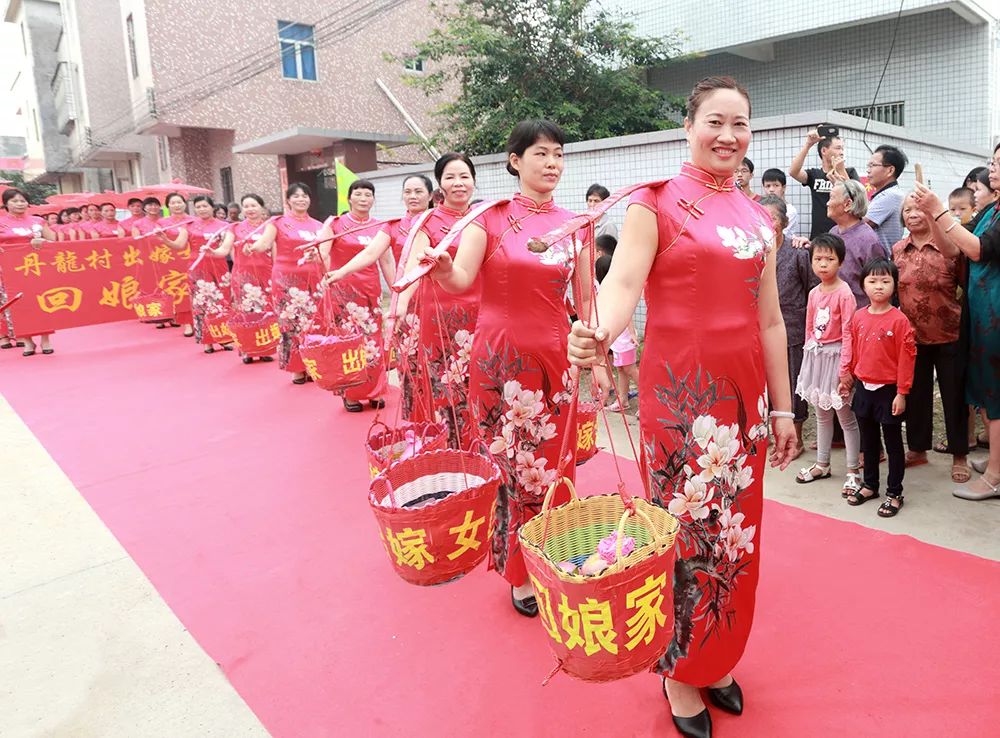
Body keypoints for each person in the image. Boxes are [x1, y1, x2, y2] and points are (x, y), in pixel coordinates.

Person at [567, 77, 797, 738]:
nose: (728, 136)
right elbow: (622, 286)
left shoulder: (759, 219)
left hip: (743, 401)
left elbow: (773, 324)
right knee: (681, 535)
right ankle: (677, 671)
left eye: (740, 124)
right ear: (688, 125)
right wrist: (600, 333)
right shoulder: (653, 205)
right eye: (715, 122)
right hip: (679, 400)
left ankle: (715, 658)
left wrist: (782, 410)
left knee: (735, 538)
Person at [425, 119, 599, 619]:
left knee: (556, 463)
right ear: (515, 161)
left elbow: (586, 299)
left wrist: (599, 359)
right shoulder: (491, 217)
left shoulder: (577, 224)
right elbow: (460, 279)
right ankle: (518, 572)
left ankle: (557, 557)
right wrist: (442, 268)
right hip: (499, 359)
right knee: (513, 465)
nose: (552, 164)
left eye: (559, 155)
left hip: (556, 358)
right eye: (541, 154)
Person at [911, 153, 1000, 500]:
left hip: (995, 314)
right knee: (986, 391)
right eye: (992, 162)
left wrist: (940, 210)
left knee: (996, 397)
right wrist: (935, 214)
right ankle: (996, 460)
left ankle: (994, 476)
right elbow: (954, 248)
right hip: (981, 311)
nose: (991, 168)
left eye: (997, 162)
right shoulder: (991, 211)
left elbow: (978, 250)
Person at [393, 152, 479, 446]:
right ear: (440, 185)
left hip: (482, 317)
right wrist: (400, 305)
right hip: (442, 318)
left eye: (464, 176)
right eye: (450, 177)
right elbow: (412, 269)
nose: (458, 183)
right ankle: (456, 455)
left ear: (474, 182)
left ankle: (484, 453)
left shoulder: (485, 218)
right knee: (448, 389)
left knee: (483, 386)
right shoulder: (428, 221)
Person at [891, 192, 968, 482]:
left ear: (932, 213)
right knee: (917, 394)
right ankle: (918, 449)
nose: (912, 214)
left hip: (950, 333)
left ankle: (959, 452)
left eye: (919, 209)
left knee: (954, 396)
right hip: (912, 336)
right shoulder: (898, 250)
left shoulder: (950, 248)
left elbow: (966, 286)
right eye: (908, 210)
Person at [838, 259, 916, 517]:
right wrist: (847, 377)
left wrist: (902, 393)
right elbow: (853, 351)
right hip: (863, 389)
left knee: (893, 444)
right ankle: (870, 484)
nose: (879, 287)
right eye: (872, 281)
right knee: (868, 442)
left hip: (890, 392)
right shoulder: (858, 317)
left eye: (885, 281)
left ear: (895, 285)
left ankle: (894, 493)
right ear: (863, 285)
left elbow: (907, 359)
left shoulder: (900, 321)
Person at [793, 233, 861, 493]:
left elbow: (848, 333)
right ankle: (822, 464)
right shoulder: (813, 293)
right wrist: (809, 360)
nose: (823, 264)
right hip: (817, 357)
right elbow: (810, 328)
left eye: (829, 259)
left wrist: (845, 370)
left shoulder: (845, 294)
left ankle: (853, 470)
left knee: (846, 417)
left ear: (840, 262)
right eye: (818, 259)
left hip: (837, 359)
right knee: (821, 415)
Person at [318, 180, 389, 412]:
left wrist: (396, 288)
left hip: (370, 291)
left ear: (373, 200)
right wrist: (318, 262)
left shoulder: (381, 226)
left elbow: (386, 261)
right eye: (358, 194)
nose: (363, 198)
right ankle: (351, 393)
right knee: (349, 342)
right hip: (344, 291)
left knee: (373, 340)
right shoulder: (335, 223)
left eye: (368, 194)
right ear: (349, 198)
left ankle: (375, 390)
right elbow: (323, 251)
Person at [253, 182, 326, 384]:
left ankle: (312, 365)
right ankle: (296, 368)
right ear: (288, 200)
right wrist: (254, 247)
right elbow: (265, 243)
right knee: (291, 323)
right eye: (296, 196)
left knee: (314, 322)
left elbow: (324, 252)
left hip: (313, 279)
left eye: (304, 196)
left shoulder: (319, 226)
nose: (301, 199)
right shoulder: (277, 223)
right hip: (287, 280)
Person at [761, 195, 816, 458]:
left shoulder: (798, 253)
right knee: (767, 385)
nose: (766, 223)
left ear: (783, 222)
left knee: (794, 385)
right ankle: (774, 436)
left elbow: (812, 289)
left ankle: (797, 439)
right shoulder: (754, 252)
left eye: (771, 217)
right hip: (761, 330)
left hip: (793, 328)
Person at [216, 193, 274, 364]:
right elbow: (225, 248)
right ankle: (247, 350)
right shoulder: (235, 228)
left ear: (261, 207)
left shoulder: (270, 228)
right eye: (246, 206)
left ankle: (265, 348)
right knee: (246, 313)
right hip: (243, 276)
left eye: (253, 205)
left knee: (265, 312)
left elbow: (275, 253)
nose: (250, 209)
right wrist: (213, 252)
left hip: (266, 274)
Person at [0, 188, 58, 355]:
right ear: (6, 204)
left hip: (37, 269)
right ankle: (27, 341)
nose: (20, 204)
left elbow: (53, 240)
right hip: (9, 271)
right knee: (19, 306)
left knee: (42, 302)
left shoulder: (37, 221)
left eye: (23, 200)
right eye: (15, 201)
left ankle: (46, 339)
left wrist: (42, 241)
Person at [789, 129, 860, 238]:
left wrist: (841, 170)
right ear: (824, 151)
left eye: (842, 148)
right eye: (838, 148)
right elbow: (793, 172)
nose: (841, 152)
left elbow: (857, 199)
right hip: (819, 237)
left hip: (845, 235)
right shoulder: (814, 174)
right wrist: (808, 144)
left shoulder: (850, 172)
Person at [187, 195, 233, 354]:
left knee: (222, 302)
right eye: (198, 207)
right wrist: (164, 238)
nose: (201, 209)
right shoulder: (190, 226)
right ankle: (207, 341)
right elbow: (179, 244)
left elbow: (227, 247)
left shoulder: (224, 226)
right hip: (198, 267)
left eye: (204, 206)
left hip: (218, 266)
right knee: (202, 304)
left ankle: (224, 337)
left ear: (212, 207)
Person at [827, 179, 884, 307]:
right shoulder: (833, 232)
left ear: (847, 204)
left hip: (858, 316)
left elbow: (879, 286)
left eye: (831, 198)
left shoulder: (869, 241)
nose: (827, 203)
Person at [594, 254, 639, 413]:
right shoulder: (603, 289)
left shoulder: (614, 290)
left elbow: (627, 315)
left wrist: (632, 334)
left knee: (630, 369)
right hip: (618, 340)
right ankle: (623, 400)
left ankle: (649, 398)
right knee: (621, 369)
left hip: (625, 339)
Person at [155, 192, 195, 335]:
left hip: (191, 260)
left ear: (185, 204)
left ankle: (199, 320)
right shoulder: (162, 223)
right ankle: (187, 323)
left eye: (179, 202)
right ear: (168, 206)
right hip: (172, 263)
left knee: (195, 291)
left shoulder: (193, 221)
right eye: (173, 203)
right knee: (180, 292)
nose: (177, 205)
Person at [863, 144, 907, 253]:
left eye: (872, 165)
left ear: (890, 170)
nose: (868, 170)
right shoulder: (885, 194)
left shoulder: (890, 195)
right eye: (868, 166)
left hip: (880, 265)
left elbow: (859, 226)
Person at [761, 168, 800, 239]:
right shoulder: (761, 207)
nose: (771, 190)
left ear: (784, 187)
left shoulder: (790, 211)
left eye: (776, 185)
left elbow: (781, 233)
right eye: (768, 186)